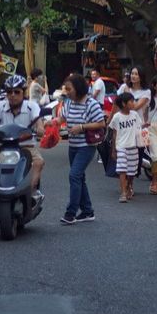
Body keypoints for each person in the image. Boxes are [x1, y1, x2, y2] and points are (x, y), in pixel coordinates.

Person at [0, 74, 45, 188]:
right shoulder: (0, 106)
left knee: (38, 163)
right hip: (2, 147)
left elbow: (38, 120)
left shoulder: (32, 106)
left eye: (17, 92)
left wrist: (40, 128)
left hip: (27, 147)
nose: (12, 95)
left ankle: (31, 192)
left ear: (24, 93)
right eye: (9, 92)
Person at [60, 72, 106, 225]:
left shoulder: (91, 103)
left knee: (74, 175)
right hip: (73, 146)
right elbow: (62, 118)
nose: (67, 92)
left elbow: (101, 123)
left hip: (86, 146)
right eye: (66, 89)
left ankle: (70, 213)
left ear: (78, 88)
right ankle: (87, 211)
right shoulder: (68, 103)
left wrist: (81, 127)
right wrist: (52, 122)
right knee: (79, 177)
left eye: (69, 89)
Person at [107, 92, 142, 202]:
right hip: (121, 147)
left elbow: (139, 128)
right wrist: (114, 150)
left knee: (131, 171)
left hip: (133, 146)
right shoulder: (117, 117)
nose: (133, 103)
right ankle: (123, 192)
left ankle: (129, 186)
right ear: (123, 103)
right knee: (122, 170)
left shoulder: (135, 115)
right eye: (131, 101)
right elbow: (114, 134)